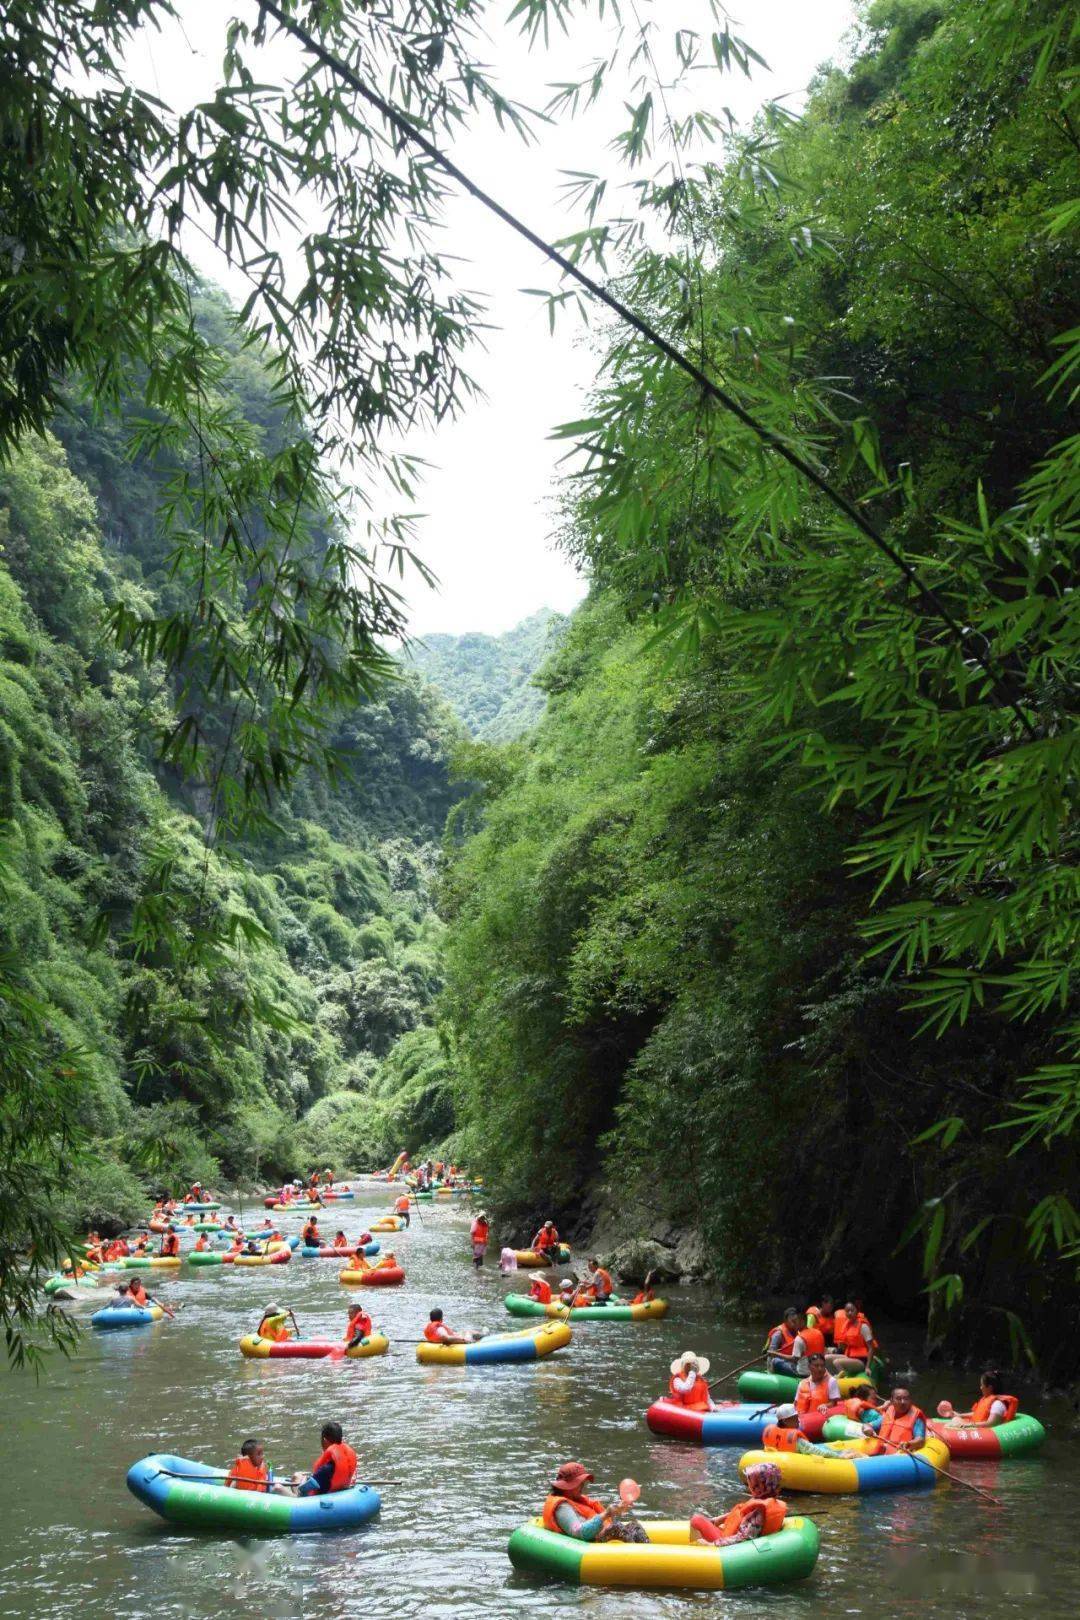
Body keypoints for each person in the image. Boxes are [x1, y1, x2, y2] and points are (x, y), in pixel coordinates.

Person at [543, 1461, 648, 1544]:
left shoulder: (575, 1499)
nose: (583, 1487)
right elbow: (578, 1532)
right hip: (589, 1544)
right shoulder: (562, 1507)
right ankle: (640, 1563)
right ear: (568, 1486)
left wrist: (617, 1510)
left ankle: (648, 1556)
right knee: (616, 1529)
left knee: (634, 1527)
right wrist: (607, 1513)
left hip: (597, 1537)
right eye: (580, 1484)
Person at [690, 1461, 788, 1546]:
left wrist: (713, 1544)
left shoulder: (760, 1511)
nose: (750, 1487)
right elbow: (741, 1512)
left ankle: (697, 1555)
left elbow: (744, 1538)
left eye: (753, 1484)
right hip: (729, 1536)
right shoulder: (767, 1501)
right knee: (700, 1520)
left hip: (727, 1546)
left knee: (696, 1520)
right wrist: (720, 1519)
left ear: (762, 1486)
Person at [760, 1403, 863, 1458]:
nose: (798, 1420)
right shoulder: (797, 1440)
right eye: (795, 1418)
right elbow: (814, 1451)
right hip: (794, 1463)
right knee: (851, 1453)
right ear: (785, 1421)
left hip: (779, 1460)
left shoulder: (771, 1432)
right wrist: (839, 1456)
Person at [289, 1423, 358, 1495]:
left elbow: (304, 1489)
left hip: (320, 1498)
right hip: (340, 1490)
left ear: (325, 1440)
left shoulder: (327, 1468)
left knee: (279, 1487)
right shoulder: (347, 1458)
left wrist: (302, 1482)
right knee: (297, 1476)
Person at [936, 1370, 1018, 1427]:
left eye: (982, 1385)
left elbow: (992, 1423)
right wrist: (960, 1415)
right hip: (976, 1426)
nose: (981, 1387)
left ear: (989, 1387)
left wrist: (969, 1425)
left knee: (956, 1421)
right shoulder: (986, 1400)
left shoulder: (997, 1404)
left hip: (984, 1433)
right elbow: (976, 1413)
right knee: (956, 1418)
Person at [862, 1387, 927, 1453]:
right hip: (881, 1451)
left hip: (900, 1455)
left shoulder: (916, 1417)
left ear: (910, 1401)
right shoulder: (889, 1413)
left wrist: (909, 1444)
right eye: (898, 1399)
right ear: (892, 1400)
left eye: (906, 1399)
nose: (903, 1402)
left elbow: (920, 1440)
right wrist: (867, 1428)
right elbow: (868, 1425)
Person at [829, 1300, 876, 1374]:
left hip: (861, 1360)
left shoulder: (863, 1327)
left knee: (836, 1362)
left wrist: (867, 1367)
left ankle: (842, 1378)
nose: (850, 1313)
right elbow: (844, 1346)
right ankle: (830, 1377)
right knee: (827, 1358)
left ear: (857, 1311)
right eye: (847, 1311)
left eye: (852, 1310)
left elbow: (871, 1347)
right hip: (850, 1357)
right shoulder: (847, 1326)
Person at [765, 1308, 803, 1376]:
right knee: (775, 1361)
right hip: (781, 1363)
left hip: (793, 1362)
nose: (796, 1324)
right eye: (793, 1321)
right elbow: (770, 1355)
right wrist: (769, 1372)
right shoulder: (778, 1334)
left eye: (797, 1321)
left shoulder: (799, 1333)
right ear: (786, 1321)